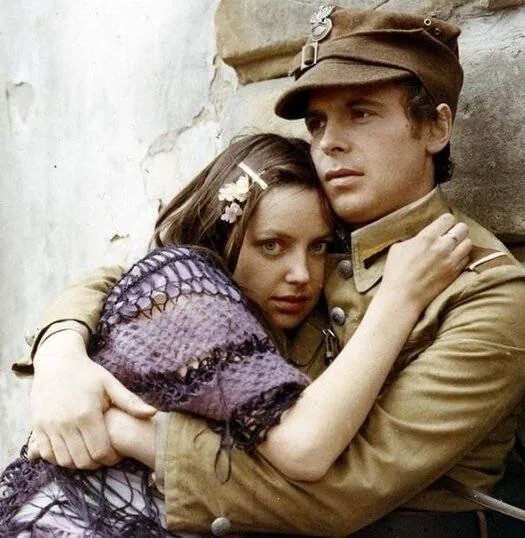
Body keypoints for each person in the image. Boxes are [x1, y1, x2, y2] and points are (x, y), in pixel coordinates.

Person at [9, 6, 525, 537]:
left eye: (361, 113)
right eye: (317, 123)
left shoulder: (487, 292)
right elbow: (151, 274)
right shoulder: (313, 219)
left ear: (436, 127)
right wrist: (61, 354)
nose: (329, 142)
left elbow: (345, 493)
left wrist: (130, 432)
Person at [2, 132, 469, 536]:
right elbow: (302, 447)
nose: (301, 274)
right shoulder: (188, 292)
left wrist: (111, 412)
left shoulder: (263, 309)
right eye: (272, 245)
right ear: (221, 234)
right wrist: (399, 299)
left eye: (319, 247)